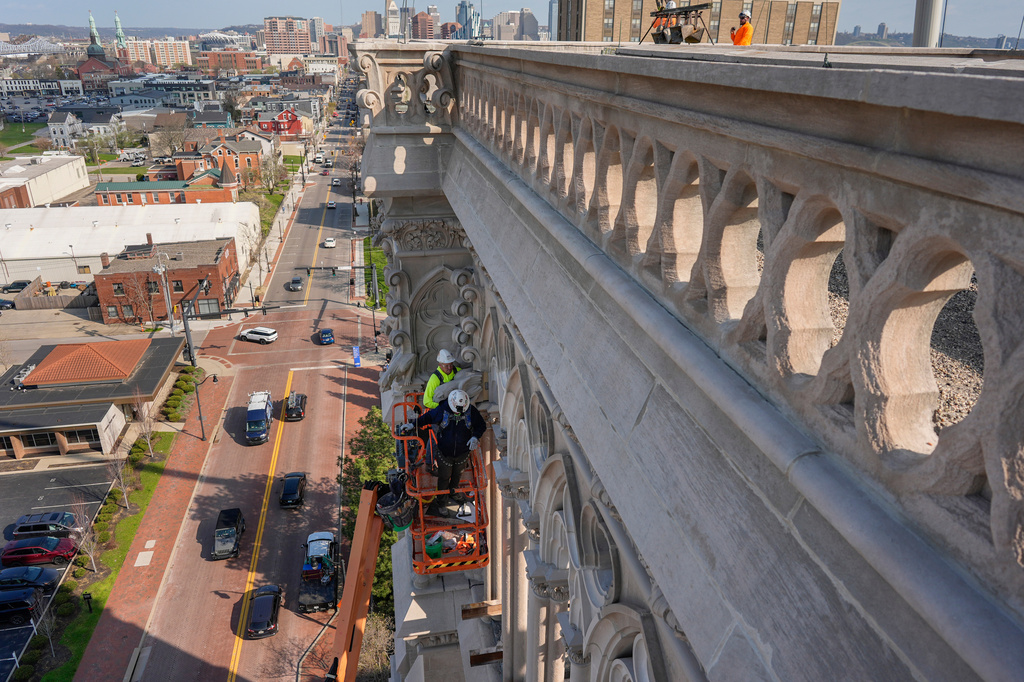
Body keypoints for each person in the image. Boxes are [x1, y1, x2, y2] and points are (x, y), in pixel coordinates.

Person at [404, 389, 486, 517]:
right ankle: (442, 503)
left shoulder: (471, 411)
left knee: (457, 475)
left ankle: (453, 492)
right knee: (444, 478)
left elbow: (481, 425)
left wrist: (475, 436)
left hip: (463, 453)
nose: (459, 412)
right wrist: (413, 425)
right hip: (444, 453)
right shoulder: (443, 409)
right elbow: (428, 417)